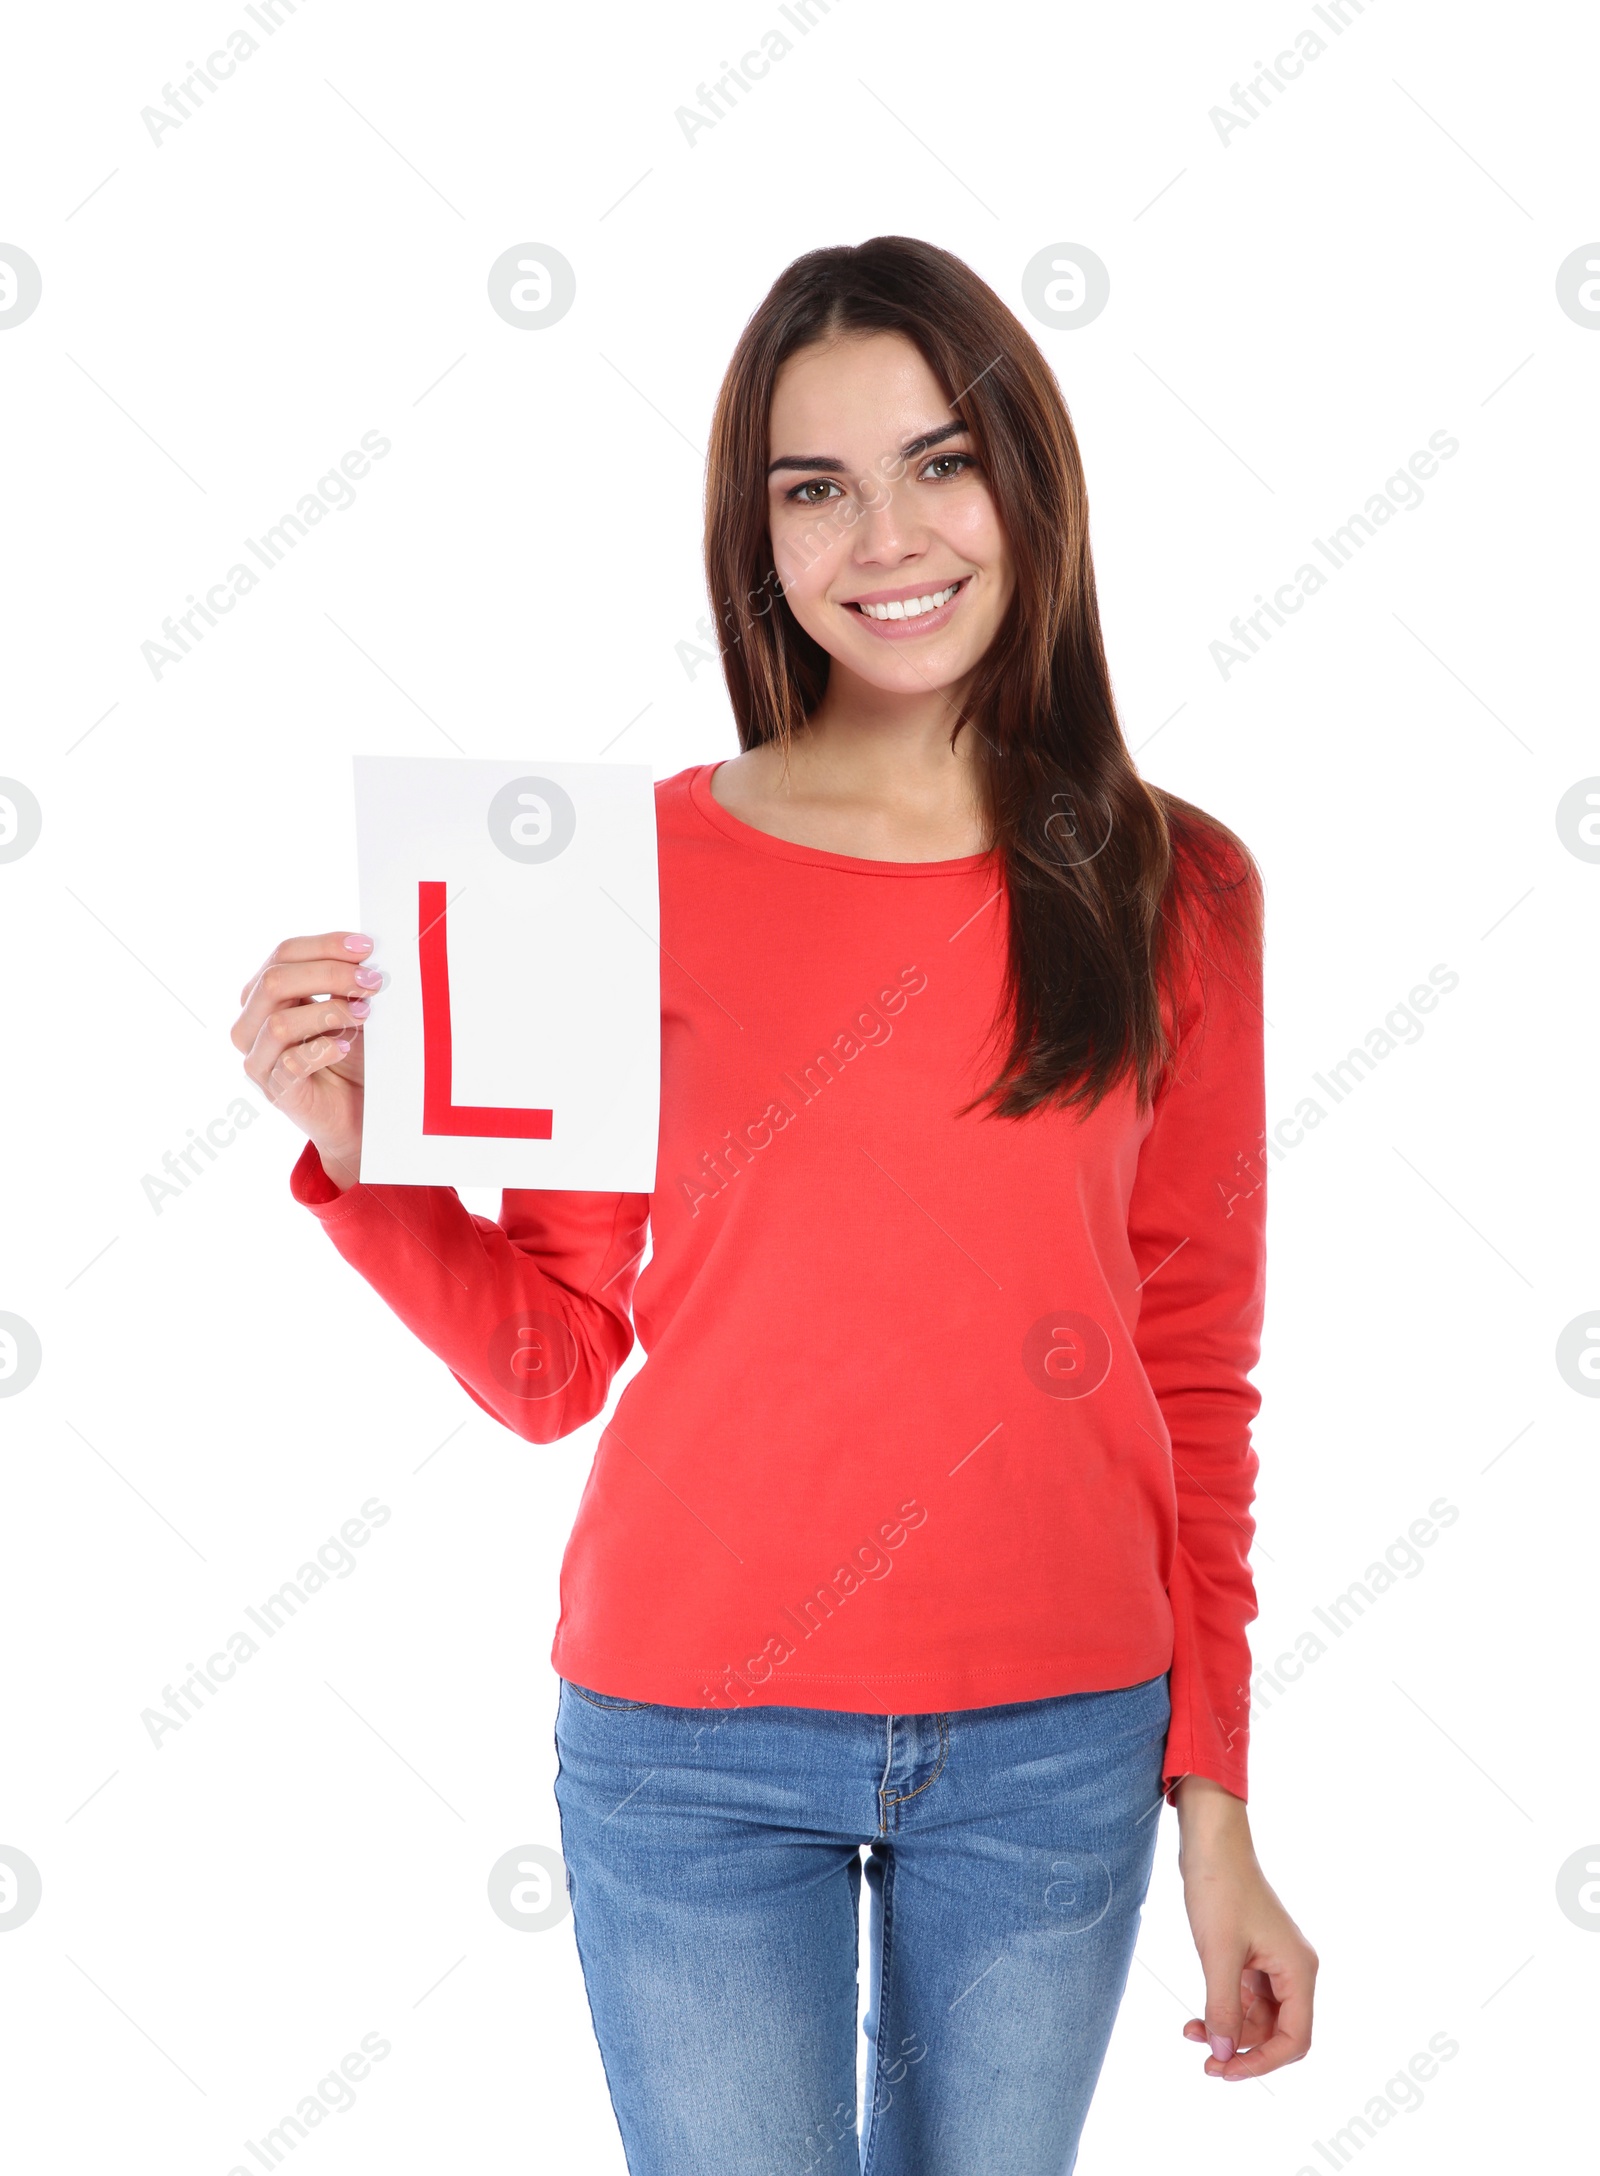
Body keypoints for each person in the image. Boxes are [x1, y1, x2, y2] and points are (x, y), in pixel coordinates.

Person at [232, 235, 1317, 2175]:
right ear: (756, 535)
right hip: (690, 1737)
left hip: (1057, 1736)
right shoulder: (604, 872)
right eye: (811, 484)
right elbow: (559, 1358)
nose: (882, 533)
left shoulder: (1176, 886)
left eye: (936, 459)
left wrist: (1214, 1809)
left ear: (1026, 483)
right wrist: (360, 1148)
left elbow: (1195, 1377)